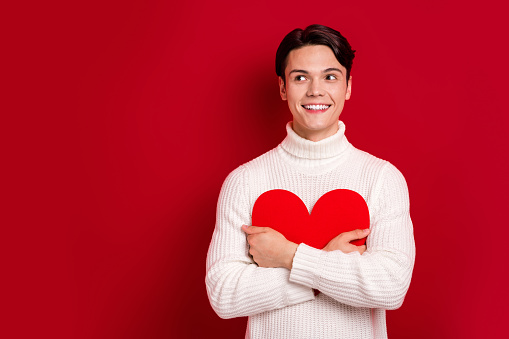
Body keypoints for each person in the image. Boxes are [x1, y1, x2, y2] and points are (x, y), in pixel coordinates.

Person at [205, 24, 415, 339]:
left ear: (347, 87)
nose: (315, 90)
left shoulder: (382, 178)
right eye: (300, 77)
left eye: (330, 76)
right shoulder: (244, 181)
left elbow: (390, 286)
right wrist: (329, 267)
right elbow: (224, 294)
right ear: (282, 87)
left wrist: (289, 255)